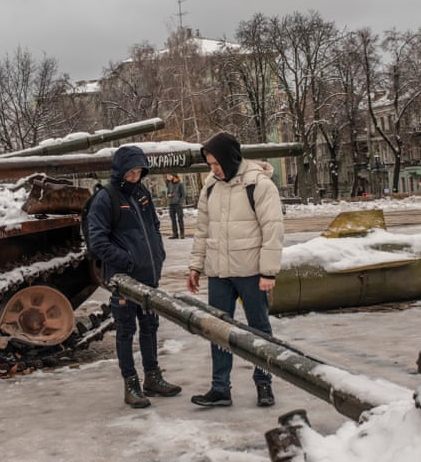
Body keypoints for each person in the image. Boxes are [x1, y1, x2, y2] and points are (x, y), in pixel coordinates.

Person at [187, 132, 284, 408]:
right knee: (217, 329)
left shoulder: (259, 185)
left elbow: (273, 229)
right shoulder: (210, 186)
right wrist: (195, 266)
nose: (213, 169)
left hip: (251, 271)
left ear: (230, 160)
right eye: (210, 164)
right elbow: (203, 230)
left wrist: (268, 272)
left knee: (259, 329)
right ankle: (220, 388)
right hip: (219, 272)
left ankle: (264, 384)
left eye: (216, 164)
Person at [88, 146, 181, 408]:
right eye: (131, 172)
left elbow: (153, 227)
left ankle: (152, 376)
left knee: (150, 327)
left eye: (139, 172)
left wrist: (158, 255)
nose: (135, 177)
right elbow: (97, 241)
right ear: (120, 171)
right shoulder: (106, 198)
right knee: (126, 331)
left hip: (148, 277)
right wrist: (126, 261)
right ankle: (131, 383)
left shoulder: (141, 194)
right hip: (124, 281)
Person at [167, 173, 186, 239]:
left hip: (178, 205)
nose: (169, 177)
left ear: (175, 177)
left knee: (180, 219)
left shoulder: (180, 184)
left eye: (171, 176)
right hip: (171, 204)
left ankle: (182, 234)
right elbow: (168, 193)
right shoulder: (170, 184)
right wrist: (169, 195)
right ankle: (175, 234)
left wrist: (180, 203)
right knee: (173, 220)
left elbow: (183, 195)